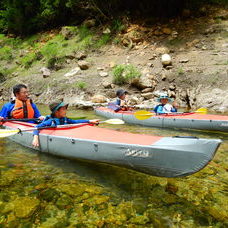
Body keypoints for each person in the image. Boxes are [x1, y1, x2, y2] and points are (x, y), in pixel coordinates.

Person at [32, 100, 99, 147]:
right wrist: (35, 138)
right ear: (56, 112)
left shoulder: (65, 120)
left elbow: (76, 122)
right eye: (63, 109)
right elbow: (36, 127)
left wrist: (89, 121)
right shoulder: (50, 121)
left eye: (65, 109)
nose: (65, 111)